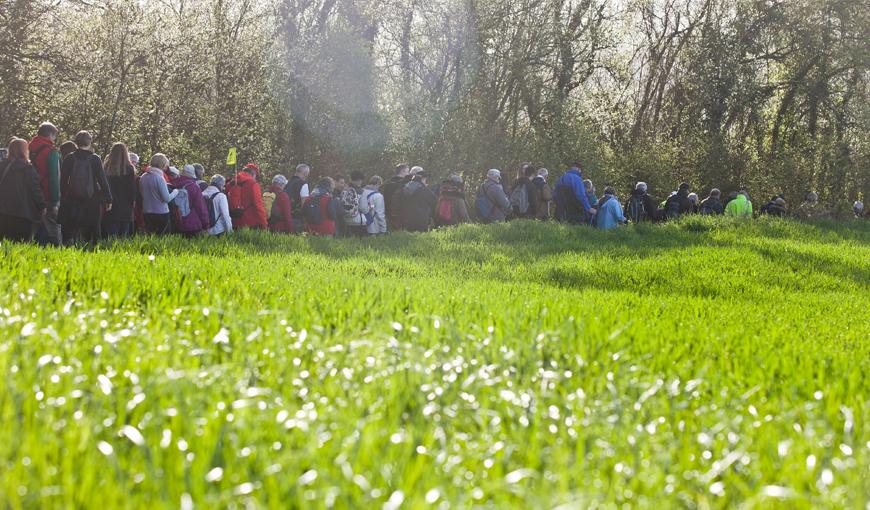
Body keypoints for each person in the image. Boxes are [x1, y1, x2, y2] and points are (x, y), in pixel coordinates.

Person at [58, 131, 113, 244]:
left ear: (76, 142)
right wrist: (108, 199)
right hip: (92, 199)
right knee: (94, 230)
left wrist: (65, 195)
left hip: (72, 200)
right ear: (90, 142)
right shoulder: (95, 159)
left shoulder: (69, 158)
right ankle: (94, 254)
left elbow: (62, 182)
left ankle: (68, 251)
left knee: (71, 230)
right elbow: (102, 180)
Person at [0, 138, 46, 241]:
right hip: (24, 213)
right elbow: (35, 190)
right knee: (21, 245)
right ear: (25, 151)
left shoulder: (2, 166)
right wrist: (42, 206)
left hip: (3, 212)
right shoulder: (28, 168)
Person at [29, 122, 62, 246]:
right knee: (53, 227)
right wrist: (55, 200)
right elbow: (53, 178)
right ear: (50, 135)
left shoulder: (27, 148)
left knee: (32, 228)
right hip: (46, 194)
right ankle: (58, 254)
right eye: (54, 136)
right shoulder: (51, 152)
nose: (54, 139)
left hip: (29, 193)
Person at [101, 142, 137, 238]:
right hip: (125, 206)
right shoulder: (129, 169)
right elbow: (132, 189)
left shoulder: (106, 167)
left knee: (111, 235)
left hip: (111, 204)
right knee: (124, 235)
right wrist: (133, 202)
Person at [139, 153, 178, 235]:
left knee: (150, 238)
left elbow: (142, 194)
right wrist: (175, 192)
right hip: (161, 213)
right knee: (163, 239)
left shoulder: (143, 177)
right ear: (163, 165)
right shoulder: (159, 178)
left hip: (147, 211)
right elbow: (166, 198)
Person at [171, 164, 209, 236]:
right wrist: (206, 224)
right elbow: (201, 207)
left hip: (176, 222)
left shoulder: (173, 184)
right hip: (192, 224)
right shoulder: (193, 186)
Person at [226, 163, 267, 229]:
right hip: (250, 224)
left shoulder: (231, 183)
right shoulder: (253, 184)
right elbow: (258, 205)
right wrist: (264, 223)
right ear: (254, 174)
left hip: (233, 223)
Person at [284, 163, 310, 233]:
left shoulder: (286, 183)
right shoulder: (303, 184)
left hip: (283, 216)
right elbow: (304, 204)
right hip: (296, 218)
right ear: (305, 174)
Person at [340, 170, 368, 236]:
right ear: (360, 180)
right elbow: (363, 208)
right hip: (358, 221)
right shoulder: (361, 191)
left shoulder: (344, 190)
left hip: (346, 221)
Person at [384, 164, 411, 230]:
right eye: (408, 172)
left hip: (389, 211)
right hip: (401, 212)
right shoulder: (405, 184)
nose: (409, 174)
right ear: (403, 171)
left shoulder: (388, 184)